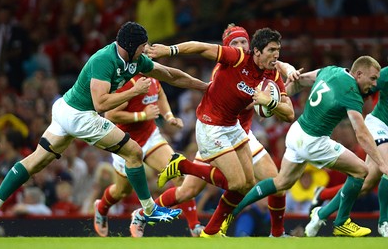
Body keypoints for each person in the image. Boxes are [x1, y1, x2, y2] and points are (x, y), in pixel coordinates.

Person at [0, 21, 208, 232]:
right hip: (79, 114)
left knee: (37, 161)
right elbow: (101, 104)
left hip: (66, 108)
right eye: (143, 47)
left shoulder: (136, 60)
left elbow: (170, 75)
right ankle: (149, 209)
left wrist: (204, 87)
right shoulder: (103, 59)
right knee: (133, 151)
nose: (146, 50)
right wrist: (135, 91)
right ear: (131, 47)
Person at [146, 26, 295, 237]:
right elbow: (199, 47)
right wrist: (169, 51)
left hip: (236, 128)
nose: (276, 55)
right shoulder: (233, 60)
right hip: (211, 126)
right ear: (258, 51)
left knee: (248, 185)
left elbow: (289, 114)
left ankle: (214, 232)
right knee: (229, 184)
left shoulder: (271, 72)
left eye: (278, 50)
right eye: (272, 50)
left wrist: (269, 101)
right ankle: (183, 166)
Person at [229, 55, 388, 237]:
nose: (375, 84)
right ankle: (341, 221)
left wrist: (276, 100)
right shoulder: (351, 92)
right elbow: (361, 133)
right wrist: (382, 164)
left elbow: (301, 80)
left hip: (297, 131)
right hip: (314, 141)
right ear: (359, 74)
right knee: (361, 170)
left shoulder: (331, 70)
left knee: (281, 182)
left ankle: (233, 210)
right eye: (372, 79)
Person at [93, 73, 203, 237]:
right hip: (126, 143)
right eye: (144, 51)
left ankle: (195, 226)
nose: (149, 56)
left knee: (179, 175)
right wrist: (142, 115)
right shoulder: (127, 83)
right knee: (122, 192)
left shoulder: (152, 76)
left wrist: (169, 116)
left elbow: (160, 94)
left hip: (150, 138)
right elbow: (110, 115)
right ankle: (101, 207)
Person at [307, 66, 388, 237]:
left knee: (366, 184)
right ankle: (384, 224)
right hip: (380, 125)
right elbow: (362, 88)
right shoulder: (385, 74)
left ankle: (322, 211)